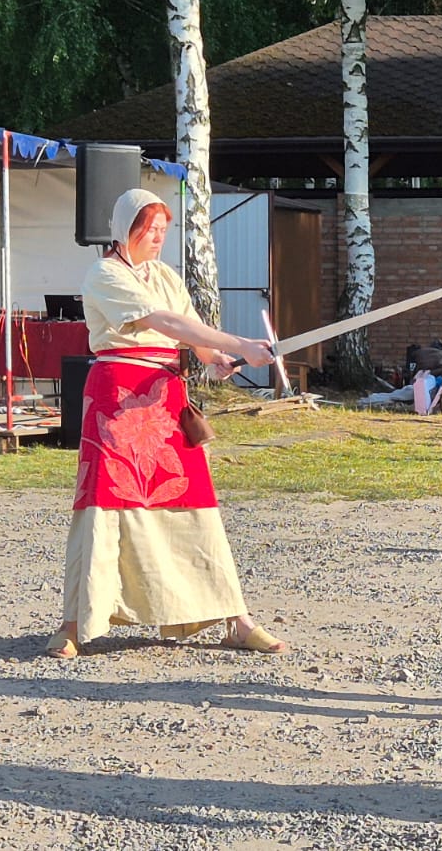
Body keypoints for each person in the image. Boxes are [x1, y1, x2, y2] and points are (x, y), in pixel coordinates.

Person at [47, 189, 288, 660]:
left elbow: (190, 331)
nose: (158, 238)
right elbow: (163, 322)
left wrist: (216, 358)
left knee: (193, 500)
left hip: (165, 398)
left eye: (162, 230)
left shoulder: (165, 275)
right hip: (117, 399)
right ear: (125, 231)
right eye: (149, 230)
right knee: (104, 503)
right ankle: (74, 622)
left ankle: (236, 621)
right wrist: (240, 343)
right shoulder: (105, 274)